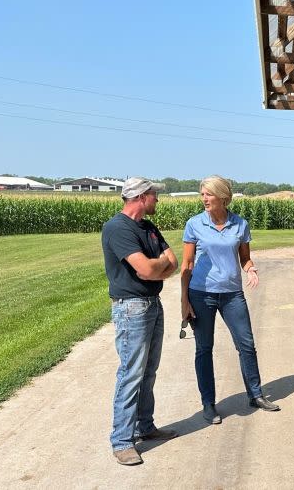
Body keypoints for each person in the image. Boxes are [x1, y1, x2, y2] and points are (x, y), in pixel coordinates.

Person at [181, 175, 279, 424]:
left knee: (246, 345)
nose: (204, 199)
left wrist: (251, 269)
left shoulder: (240, 224)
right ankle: (208, 404)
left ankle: (256, 394)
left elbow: (245, 258)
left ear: (223, 197)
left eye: (209, 194)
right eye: (202, 194)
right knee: (204, 348)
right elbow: (187, 264)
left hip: (232, 294)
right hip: (201, 294)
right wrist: (184, 300)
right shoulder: (194, 224)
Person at [102, 177, 179, 465]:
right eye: (153, 195)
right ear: (140, 197)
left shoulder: (147, 227)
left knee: (149, 371)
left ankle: (145, 427)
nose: (157, 199)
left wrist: (158, 266)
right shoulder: (117, 229)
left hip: (152, 305)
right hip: (132, 308)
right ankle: (122, 440)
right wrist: (158, 265)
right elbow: (148, 269)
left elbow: (172, 261)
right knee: (131, 374)